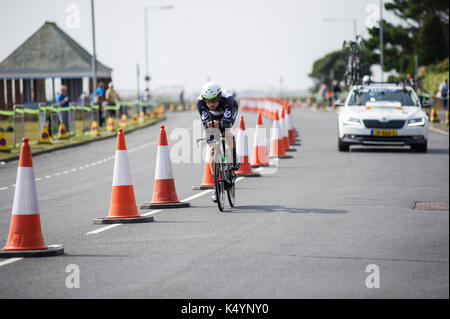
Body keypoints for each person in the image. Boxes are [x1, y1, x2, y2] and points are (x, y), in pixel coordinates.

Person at [197, 82, 239, 202]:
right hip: (212, 116)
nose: (211, 104)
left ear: (219, 96)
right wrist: (209, 125)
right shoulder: (200, 103)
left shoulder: (228, 99)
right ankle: (216, 186)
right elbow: (205, 122)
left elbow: (227, 122)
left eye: (214, 100)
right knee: (212, 148)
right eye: (208, 101)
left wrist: (221, 125)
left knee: (226, 131)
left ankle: (234, 157)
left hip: (228, 110)